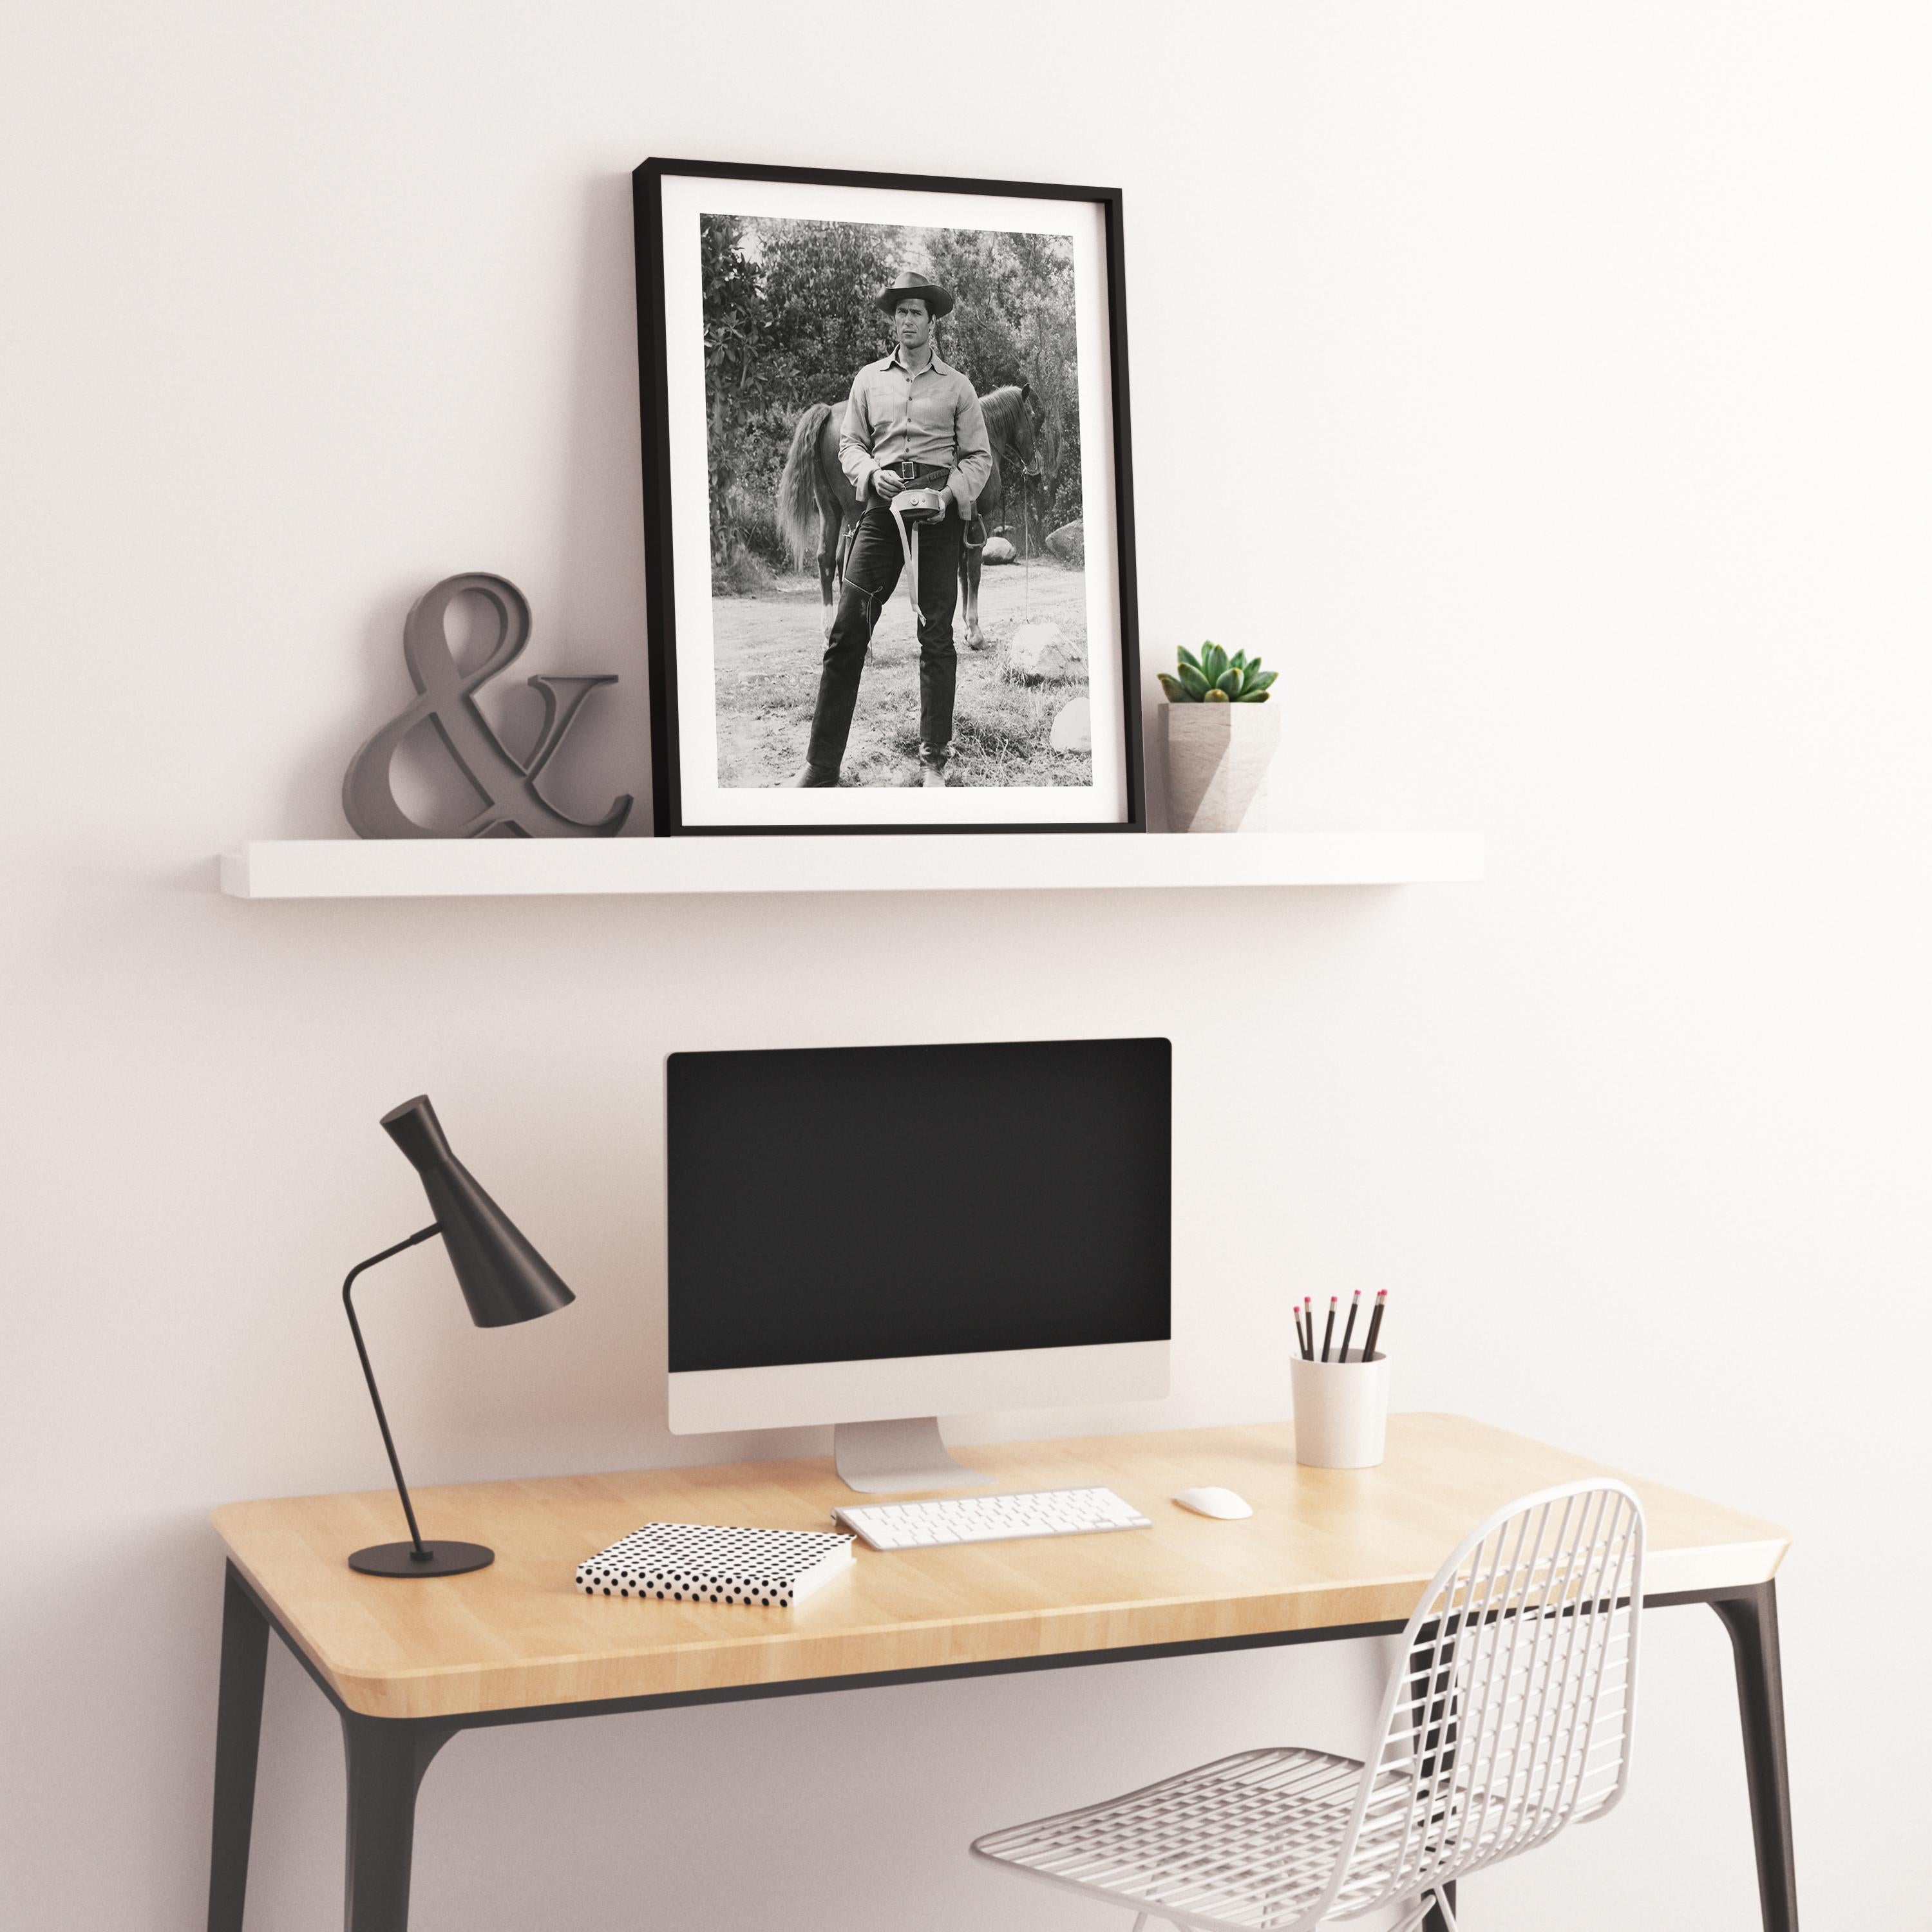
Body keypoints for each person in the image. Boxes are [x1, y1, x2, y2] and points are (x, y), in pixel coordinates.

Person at [783, 271, 992, 788]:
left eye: (916, 312)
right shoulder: (867, 380)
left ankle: (933, 761)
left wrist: (949, 496)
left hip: (938, 512)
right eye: (900, 312)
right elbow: (850, 444)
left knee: (937, 636)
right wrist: (870, 474)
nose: (906, 320)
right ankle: (820, 765)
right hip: (882, 509)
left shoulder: (958, 386)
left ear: (932, 320)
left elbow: (979, 457)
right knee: (847, 629)